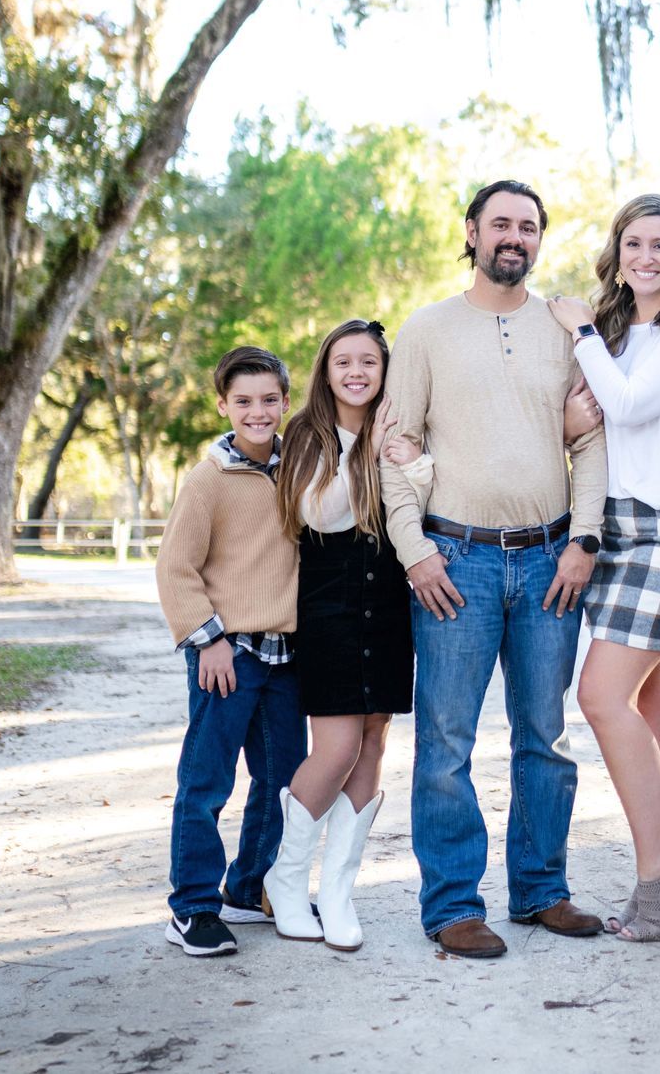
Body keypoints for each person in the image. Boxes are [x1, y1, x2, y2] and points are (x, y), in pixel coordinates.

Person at [379, 178, 609, 960]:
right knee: (446, 738)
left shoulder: (563, 330)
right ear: (471, 231)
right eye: (501, 223)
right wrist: (415, 551)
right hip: (458, 561)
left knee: (545, 735)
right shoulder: (428, 329)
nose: (514, 235)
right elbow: (393, 442)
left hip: (551, 559)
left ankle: (542, 889)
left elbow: (592, 440)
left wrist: (585, 539)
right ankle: (451, 903)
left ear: (540, 240)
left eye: (529, 226)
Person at [547, 194, 660, 942]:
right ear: (617, 252)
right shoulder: (617, 329)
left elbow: (626, 405)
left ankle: (656, 877)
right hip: (613, 529)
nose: (645, 257)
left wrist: (580, 328)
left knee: (600, 695)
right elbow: (582, 418)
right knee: (646, 709)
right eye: (633, 243)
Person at [263, 319, 432, 952]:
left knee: (372, 742)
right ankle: (285, 882)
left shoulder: (399, 428)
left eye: (369, 362)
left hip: (387, 605)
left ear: (386, 371)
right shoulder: (309, 434)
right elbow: (322, 512)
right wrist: (368, 451)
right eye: (344, 362)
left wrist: (407, 458)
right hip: (330, 610)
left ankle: (337, 891)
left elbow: (422, 493)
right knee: (333, 750)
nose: (357, 372)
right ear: (326, 371)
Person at [155, 346, 305, 957]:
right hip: (228, 654)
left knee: (281, 780)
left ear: (286, 404)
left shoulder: (298, 469)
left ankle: (249, 887)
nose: (258, 411)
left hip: (288, 655)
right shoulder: (209, 478)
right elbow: (175, 568)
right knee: (207, 780)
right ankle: (192, 906)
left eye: (270, 399)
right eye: (243, 401)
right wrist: (209, 639)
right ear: (223, 405)